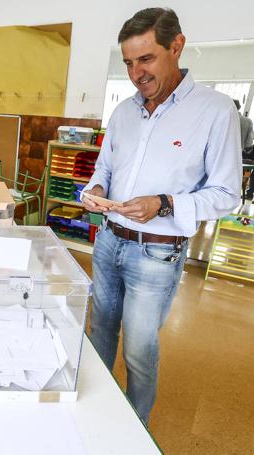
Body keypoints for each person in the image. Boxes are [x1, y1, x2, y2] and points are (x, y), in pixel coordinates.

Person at [82, 8, 241, 424]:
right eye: (129, 63)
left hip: (156, 255)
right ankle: (90, 419)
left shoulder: (215, 111)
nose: (137, 73)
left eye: (146, 59)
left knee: (138, 349)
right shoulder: (122, 113)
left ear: (176, 46)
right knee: (98, 334)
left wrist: (164, 204)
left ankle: (134, 429)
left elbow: (227, 195)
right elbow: (105, 169)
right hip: (109, 239)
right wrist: (97, 189)